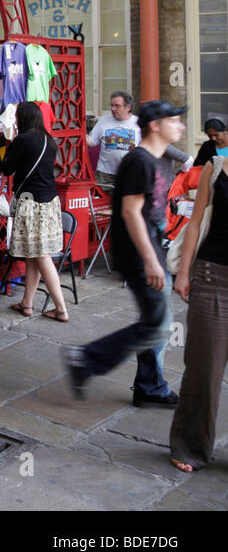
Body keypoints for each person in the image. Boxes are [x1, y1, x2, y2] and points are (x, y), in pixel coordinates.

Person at [65, 100, 186, 408]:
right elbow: (131, 213)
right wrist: (150, 260)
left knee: (155, 322)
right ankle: (86, 358)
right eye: (174, 120)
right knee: (157, 326)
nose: (180, 125)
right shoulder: (140, 161)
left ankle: (150, 386)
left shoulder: (158, 159)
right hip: (140, 255)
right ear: (155, 126)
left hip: (151, 249)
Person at [169, 150, 228, 472]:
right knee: (204, 371)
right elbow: (194, 224)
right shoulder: (215, 168)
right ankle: (190, 446)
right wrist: (183, 273)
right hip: (214, 277)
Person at [3, 102, 70, 321]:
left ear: (22, 119)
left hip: (31, 204)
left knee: (41, 255)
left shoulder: (22, 140)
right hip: (50, 203)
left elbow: (6, 169)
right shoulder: (49, 140)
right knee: (34, 255)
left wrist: (9, 142)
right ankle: (27, 303)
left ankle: (61, 308)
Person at [87, 90, 139, 192]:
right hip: (105, 175)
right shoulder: (103, 120)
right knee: (103, 206)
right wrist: (77, 132)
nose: (112, 109)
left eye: (117, 106)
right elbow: (91, 142)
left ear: (128, 107)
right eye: (111, 105)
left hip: (129, 174)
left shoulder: (138, 123)